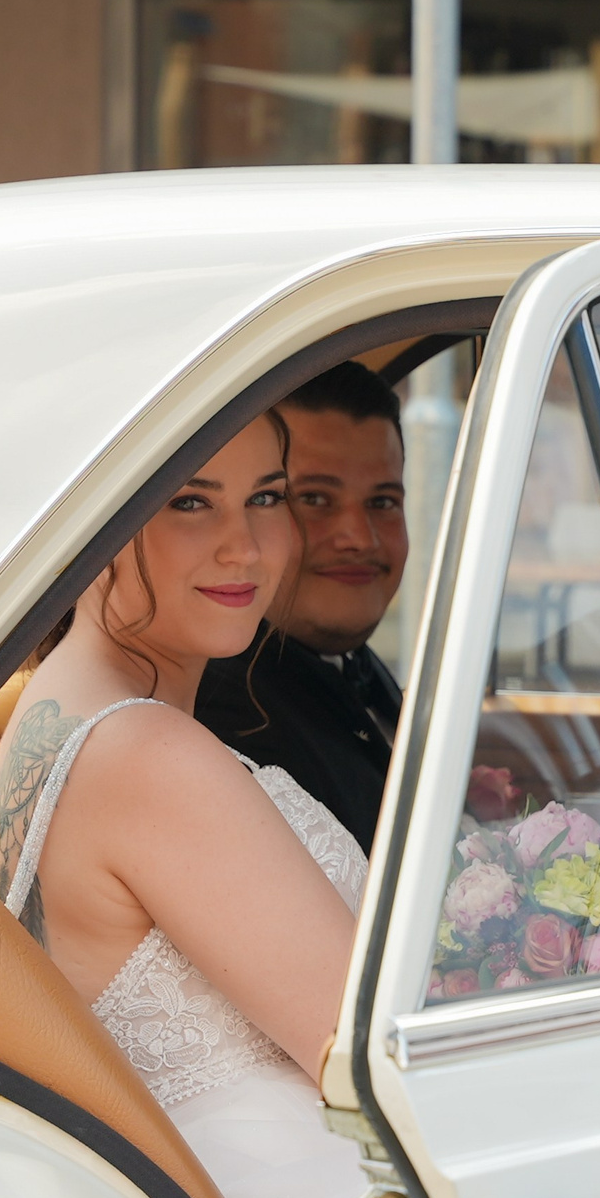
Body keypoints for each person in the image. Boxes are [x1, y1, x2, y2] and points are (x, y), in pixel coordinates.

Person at [0, 409, 467, 1198]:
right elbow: (382, 1060)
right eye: (190, 502)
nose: (244, 546)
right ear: (88, 519)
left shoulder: (61, 717)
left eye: (267, 498)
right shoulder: (147, 755)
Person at [196, 362, 407, 851]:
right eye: (313, 498)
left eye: (383, 502)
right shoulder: (225, 717)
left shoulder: (351, 666)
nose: (359, 538)